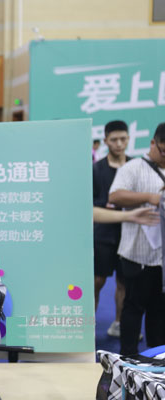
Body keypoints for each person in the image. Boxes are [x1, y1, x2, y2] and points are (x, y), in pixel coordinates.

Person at [109, 122, 165, 356]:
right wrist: (150, 197)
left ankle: (158, 356)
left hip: (162, 259)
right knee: (133, 307)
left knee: (160, 310)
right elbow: (115, 196)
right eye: (163, 151)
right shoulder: (133, 168)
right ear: (153, 143)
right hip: (137, 254)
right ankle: (128, 357)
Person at [93, 120, 131, 338]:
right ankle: (88, 326)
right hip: (103, 235)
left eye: (123, 139)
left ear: (128, 139)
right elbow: (90, 202)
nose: (119, 143)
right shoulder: (96, 169)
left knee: (124, 282)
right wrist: (105, 206)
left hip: (130, 234)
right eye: (114, 139)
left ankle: (119, 324)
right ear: (106, 141)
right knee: (97, 282)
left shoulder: (135, 166)